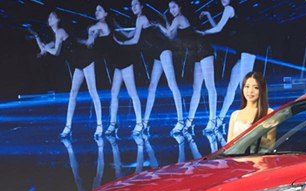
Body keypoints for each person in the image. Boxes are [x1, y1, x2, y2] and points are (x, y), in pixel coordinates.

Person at [117, 0, 184, 136]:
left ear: (142, 6)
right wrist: (116, 26)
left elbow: (134, 40)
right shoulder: (139, 20)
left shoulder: (141, 18)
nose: (133, 7)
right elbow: (129, 34)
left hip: (163, 50)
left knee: (172, 84)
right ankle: (145, 122)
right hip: (157, 53)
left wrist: (121, 43)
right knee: (152, 87)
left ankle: (181, 121)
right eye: (132, 5)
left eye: (136, 4)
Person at [33, 10, 103, 138]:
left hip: (85, 60)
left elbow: (56, 52)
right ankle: (68, 127)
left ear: (58, 20)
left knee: (93, 92)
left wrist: (46, 48)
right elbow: (46, 48)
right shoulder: (56, 35)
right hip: (77, 63)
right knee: (73, 93)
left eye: (52, 17)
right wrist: (39, 40)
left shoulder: (60, 32)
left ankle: (99, 126)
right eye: (49, 17)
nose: (49, 18)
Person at [155, 1, 217, 146]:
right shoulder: (176, 20)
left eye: (174, 7)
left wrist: (159, 25)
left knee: (209, 86)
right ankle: (189, 121)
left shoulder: (179, 18)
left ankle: (212, 120)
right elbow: (172, 37)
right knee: (196, 88)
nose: (172, 10)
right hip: (196, 52)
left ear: (180, 7)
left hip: (203, 48)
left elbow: (168, 34)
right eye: (170, 8)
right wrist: (164, 21)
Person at [199, 0, 257, 132]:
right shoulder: (228, 11)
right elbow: (218, 28)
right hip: (241, 51)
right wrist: (208, 15)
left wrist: (204, 32)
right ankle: (220, 120)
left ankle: (250, 121)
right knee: (231, 87)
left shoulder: (229, 8)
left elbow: (218, 28)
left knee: (245, 87)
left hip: (248, 48)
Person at [85, 4, 144, 136]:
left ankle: (139, 123)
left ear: (106, 14)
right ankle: (113, 124)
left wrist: (90, 35)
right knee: (114, 93)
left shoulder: (102, 25)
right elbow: (94, 34)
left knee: (132, 92)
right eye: (96, 10)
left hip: (124, 60)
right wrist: (92, 36)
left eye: (100, 10)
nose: (96, 12)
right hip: (117, 63)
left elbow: (91, 29)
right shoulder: (102, 26)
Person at [228, 71, 273, 147]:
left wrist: (250, 136)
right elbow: (228, 146)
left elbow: (270, 144)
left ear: (261, 90)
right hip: (236, 155)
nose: (250, 91)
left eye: (256, 87)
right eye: (247, 86)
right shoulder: (235, 115)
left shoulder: (268, 112)